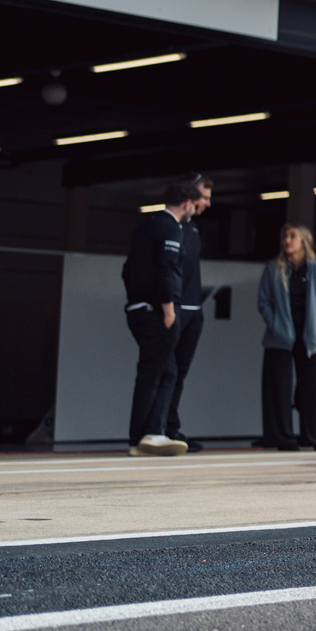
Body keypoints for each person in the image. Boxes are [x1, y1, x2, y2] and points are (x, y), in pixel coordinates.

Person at [121, 174, 205, 457]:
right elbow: (167, 271)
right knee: (162, 373)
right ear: (187, 204)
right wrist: (169, 310)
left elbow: (127, 269)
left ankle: (142, 437)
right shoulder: (172, 230)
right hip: (156, 312)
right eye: (195, 204)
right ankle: (150, 433)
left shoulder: (146, 228)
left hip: (136, 308)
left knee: (159, 371)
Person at [257, 224, 316, 450]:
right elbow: (263, 302)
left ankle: (315, 437)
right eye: (284, 236)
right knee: (278, 390)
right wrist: (275, 325)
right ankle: (282, 438)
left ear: (304, 242)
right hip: (280, 337)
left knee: (312, 390)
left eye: (292, 236)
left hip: (309, 338)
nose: (287, 240)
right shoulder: (273, 270)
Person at [164, 176, 213, 453]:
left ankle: (172, 428)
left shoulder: (193, 229)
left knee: (179, 373)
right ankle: (157, 429)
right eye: (204, 197)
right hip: (175, 310)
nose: (208, 203)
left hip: (194, 311)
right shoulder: (170, 227)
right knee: (166, 371)